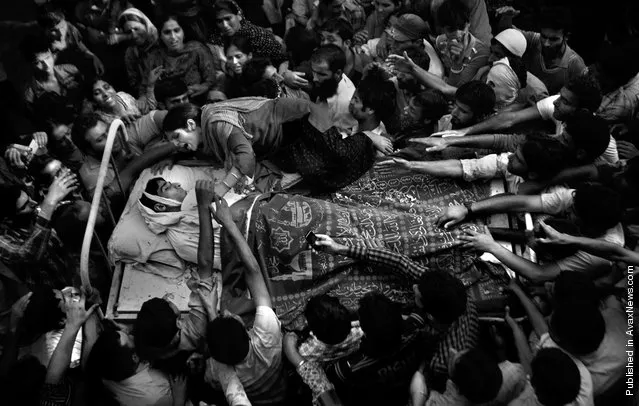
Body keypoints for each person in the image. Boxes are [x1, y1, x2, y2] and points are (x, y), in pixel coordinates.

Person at [311, 234, 480, 392]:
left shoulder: (444, 362)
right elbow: (403, 265)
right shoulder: (455, 294)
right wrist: (340, 248)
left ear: (429, 315)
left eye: (418, 294)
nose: (414, 286)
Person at [449, 184, 625, 282]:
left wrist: (492, 247)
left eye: (572, 213)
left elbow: (539, 274)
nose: (568, 210)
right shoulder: (577, 198)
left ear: (587, 224)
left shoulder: (602, 252)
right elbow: (523, 203)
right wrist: (468, 210)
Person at [205, 193, 286, 405]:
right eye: (233, 318)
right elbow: (254, 272)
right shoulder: (267, 335)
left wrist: (212, 311)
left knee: (230, 302)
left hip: (264, 396)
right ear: (246, 330)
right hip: (281, 387)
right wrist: (229, 224)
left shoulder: (223, 374)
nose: (232, 315)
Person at [433, 73, 619, 165]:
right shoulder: (556, 104)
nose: (556, 103)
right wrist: (462, 133)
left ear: (583, 111)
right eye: (560, 96)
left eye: (565, 101)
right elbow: (510, 119)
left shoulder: (603, 143)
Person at [134, 180, 220, 364]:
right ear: (179, 323)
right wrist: (204, 207)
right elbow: (206, 263)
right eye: (167, 187)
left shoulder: (166, 345)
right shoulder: (181, 239)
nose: (177, 184)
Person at [505, 280, 595, 405]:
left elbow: (528, 367)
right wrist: (518, 292)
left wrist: (515, 329)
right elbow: (543, 332)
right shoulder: (583, 379)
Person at [383, 135, 568, 194]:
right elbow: (466, 167)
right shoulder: (507, 162)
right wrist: (413, 166)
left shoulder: (552, 198)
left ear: (533, 174)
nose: (510, 158)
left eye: (518, 159)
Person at [71, 112, 182, 199]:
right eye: (100, 139)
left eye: (109, 130)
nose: (111, 137)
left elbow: (159, 117)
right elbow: (118, 199)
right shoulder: (93, 177)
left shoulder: (122, 134)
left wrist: (171, 156)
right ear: (89, 151)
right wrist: (174, 146)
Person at [0, 173, 77, 289]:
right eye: (25, 206)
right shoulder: (3, 240)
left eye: (29, 198)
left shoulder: (34, 213)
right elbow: (28, 254)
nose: (34, 203)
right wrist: (48, 206)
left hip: (71, 277)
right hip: (54, 294)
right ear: (8, 220)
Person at [412, 348, 527, 405]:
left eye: (454, 359)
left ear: (457, 387)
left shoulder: (441, 403)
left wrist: (418, 392)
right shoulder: (514, 372)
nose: (452, 351)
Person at [143, 15, 216, 103]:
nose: (173, 37)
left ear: (183, 32)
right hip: (166, 107)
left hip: (197, 101)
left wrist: (203, 87)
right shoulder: (155, 56)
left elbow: (211, 80)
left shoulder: (197, 50)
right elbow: (144, 87)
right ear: (160, 36)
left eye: (176, 31)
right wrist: (150, 86)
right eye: (167, 32)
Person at [21, 32, 84, 131]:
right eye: (38, 62)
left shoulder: (70, 70)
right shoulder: (30, 94)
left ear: (52, 54)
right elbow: (38, 124)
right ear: (31, 65)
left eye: (47, 57)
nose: (46, 65)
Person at [518, 7, 588, 95]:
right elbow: (507, 35)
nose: (546, 43)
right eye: (543, 37)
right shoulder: (535, 39)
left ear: (566, 37)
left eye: (553, 39)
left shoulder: (575, 65)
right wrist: (507, 17)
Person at [208, 0, 287, 68]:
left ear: (239, 16)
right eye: (219, 21)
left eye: (228, 18)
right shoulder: (217, 40)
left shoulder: (257, 35)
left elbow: (282, 60)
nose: (225, 25)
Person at [432, 0, 490, 87]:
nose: (457, 34)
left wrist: (456, 65)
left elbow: (457, 88)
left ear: (469, 24)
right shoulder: (440, 42)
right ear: (442, 29)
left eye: (461, 27)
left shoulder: (481, 53)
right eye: (451, 30)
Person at [38, 7, 105, 76]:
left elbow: (79, 44)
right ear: (45, 31)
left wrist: (92, 56)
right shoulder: (41, 47)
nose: (61, 33)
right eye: (54, 30)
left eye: (62, 27)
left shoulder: (70, 28)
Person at [310, 44, 358, 136]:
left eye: (321, 74)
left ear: (338, 73)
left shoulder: (346, 103)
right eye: (313, 72)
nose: (314, 79)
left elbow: (342, 139)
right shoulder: (329, 81)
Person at [87, 74, 160, 125]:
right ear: (93, 101)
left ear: (113, 88)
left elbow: (151, 110)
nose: (105, 94)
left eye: (106, 87)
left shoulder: (124, 96)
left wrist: (150, 86)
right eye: (97, 93)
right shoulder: (99, 119)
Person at [119, 8, 160, 94]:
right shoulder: (131, 52)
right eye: (129, 32)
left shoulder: (162, 41)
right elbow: (133, 81)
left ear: (145, 25)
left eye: (137, 29)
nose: (134, 35)